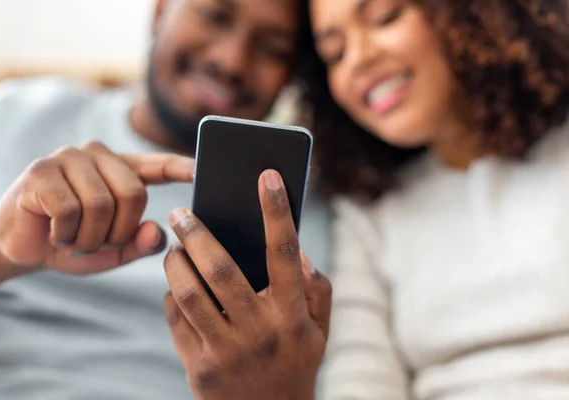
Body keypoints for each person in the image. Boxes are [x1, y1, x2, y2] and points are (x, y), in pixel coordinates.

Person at [158, 0, 569, 399]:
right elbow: (361, 381)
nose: (358, 60)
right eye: (334, 53)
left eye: (384, 17)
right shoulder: (367, 209)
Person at [0, 0, 333, 398]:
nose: (231, 61)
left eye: (272, 48)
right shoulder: (9, 118)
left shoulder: (314, 213)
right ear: (160, 11)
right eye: (214, 16)